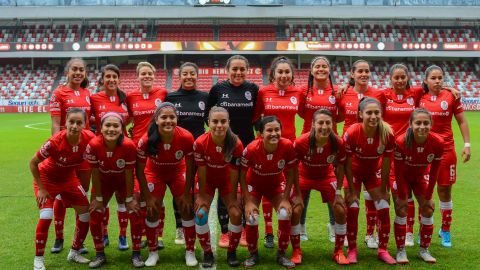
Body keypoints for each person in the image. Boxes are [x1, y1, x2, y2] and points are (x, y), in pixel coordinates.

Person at [206, 55, 259, 248]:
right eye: (234, 69)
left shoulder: (252, 89)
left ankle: (244, 228)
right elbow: (208, 116)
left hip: (247, 146)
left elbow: (257, 116)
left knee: (244, 187)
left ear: (247, 70)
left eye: (241, 69)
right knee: (226, 187)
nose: (238, 72)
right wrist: (220, 136)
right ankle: (225, 231)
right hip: (224, 147)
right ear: (227, 71)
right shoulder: (218, 89)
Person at [30, 108, 94, 270]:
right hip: (47, 179)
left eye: (79, 122)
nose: (74, 126)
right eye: (71, 122)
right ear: (65, 123)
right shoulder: (54, 142)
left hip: (69, 179)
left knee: (85, 214)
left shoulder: (89, 138)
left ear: (85, 124)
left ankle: (74, 252)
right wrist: (42, 189)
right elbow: (33, 163)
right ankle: (38, 259)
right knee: (46, 216)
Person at [136, 102, 197, 267]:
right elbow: (140, 171)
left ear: (177, 119)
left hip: (178, 172)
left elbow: (191, 167)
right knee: (153, 208)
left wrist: (186, 193)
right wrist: (147, 197)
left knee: (186, 208)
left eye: (172, 117)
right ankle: (153, 252)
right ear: (156, 120)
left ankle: (190, 251)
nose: (168, 120)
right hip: (154, 173)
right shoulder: (146, 140)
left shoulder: (186, 137)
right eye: (164, 117)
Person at [419, 65, 471, 247]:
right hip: (424, 152)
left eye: (440, 77)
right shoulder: (419, 96)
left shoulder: (451, 96)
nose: (437, 81)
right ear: (425, 80)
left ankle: (445, 230)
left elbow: (462, 121)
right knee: (424, 192)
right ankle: (424, 229)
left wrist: (467, 144)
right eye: (433, 78)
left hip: (446, 150)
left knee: (444, 190)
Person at [241, 116, 303, 268]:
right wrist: (248, 201)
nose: (274, 133)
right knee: (252, 217)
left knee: (284, 213)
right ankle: (253, 254)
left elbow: (291, 172)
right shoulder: (251, 149)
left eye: (277, 130)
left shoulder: (287, 145)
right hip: (254, 185)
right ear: (261, 133)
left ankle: (281, 254)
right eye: (269, 130)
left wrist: (285, 198)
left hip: (275, 185)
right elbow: (241, 176)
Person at [253, 56, 301, 248]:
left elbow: (306, 114)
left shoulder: (299, 91)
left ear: (292, 74)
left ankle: (286, 232)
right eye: (280, 72)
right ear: (273, 74)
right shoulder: (264, 91)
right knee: (267, 188)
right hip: (267, 147)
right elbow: (256, 116)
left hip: (289, 148)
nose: (283, 75)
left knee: (285, 190)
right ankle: (269, 232)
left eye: (287, 72)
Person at [85, 112, 144, 268]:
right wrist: (98, 199)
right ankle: (99, 254)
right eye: (108, 125)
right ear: (101, 128)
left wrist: (130, 199)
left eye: (116, 126)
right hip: (103, 182)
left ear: (122, 128)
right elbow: (95, 173)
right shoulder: (94, 144)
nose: (111, 129)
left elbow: (129, 173)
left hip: (124, 182)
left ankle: (136, 253)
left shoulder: (129, 145)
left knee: (135, 212)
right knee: (95, 213)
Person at [343, 97, 396, 264]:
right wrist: (351, 190)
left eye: (377, 113)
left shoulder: (387, 134)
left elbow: (387, 163)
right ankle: (352, 250)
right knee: (352, 207)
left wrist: (383, 188)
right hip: (354, 174)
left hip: (374, 173)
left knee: (384, 206)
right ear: (360, 114)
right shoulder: (352, 132)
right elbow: (347, 163)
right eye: (369, 113)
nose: (373, 116)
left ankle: (383, 250)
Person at [294, 109, 349, 265]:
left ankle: (338, 251)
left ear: (332, 124)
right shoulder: (300, 142)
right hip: (304, 176)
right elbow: (292, 168)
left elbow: (340, 167)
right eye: (320, 123)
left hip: (326, 176)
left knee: (340, 208)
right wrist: (296, 193)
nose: (324, 126)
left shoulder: (337, 142)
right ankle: (296, 250)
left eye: (327, 123)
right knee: (296, 209)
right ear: (313, 125)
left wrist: (338, 191)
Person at [48, 58, 91, 254]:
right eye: (74, 69)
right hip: (65, 152)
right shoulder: (58, 93)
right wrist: (58, 148)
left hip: (84, 153)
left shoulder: (87, 93)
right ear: (67, 71)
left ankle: (78, 241)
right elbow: (56, 124)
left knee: (81, 195)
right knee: (60, 194)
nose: (78, 73)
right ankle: (58, 237)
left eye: (81, 70)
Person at [338, 59, 382, 249]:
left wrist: (448, 87)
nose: (364, 74)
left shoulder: (379, 94)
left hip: (371, 151)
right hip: (348, 151)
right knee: (350, 196)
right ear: (352, 74)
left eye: (367, 71)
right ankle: (349, 234)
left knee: (372, 196)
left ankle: (370, 234)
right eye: (360, 71)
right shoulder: (342, 93)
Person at [164, 61, 209, 247]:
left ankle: (199, 224)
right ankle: (180, 227)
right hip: (178, 151)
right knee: (181, 190)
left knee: (197, 189)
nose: (189, 77)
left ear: (197, 76)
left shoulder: (205, 97)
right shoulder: (172, 97)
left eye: (192, 74)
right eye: (185, 74)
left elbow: (211, 121)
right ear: (179, 76)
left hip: (198, 151)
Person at [193, 106, 245, 267]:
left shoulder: (236, 143)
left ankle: (232, 252)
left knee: (236, 213)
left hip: (227, 181)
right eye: (215, 121)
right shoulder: (200, 142)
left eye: (223, 121)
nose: (219, 125)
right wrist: (201, 196)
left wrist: (234, 195)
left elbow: (235, 172)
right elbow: (201, 171)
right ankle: (207, 253)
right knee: (200, 214)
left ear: (229, 123)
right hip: (207, 181)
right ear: (208, 122)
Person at [126, 62, 170, 248]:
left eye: (149, 73)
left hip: (157, 150)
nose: (146, 76)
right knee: (140, 194)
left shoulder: (163, 94)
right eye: (143, 73)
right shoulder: (130, 96)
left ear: (154, 75)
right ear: (138, 76)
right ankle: (145, 234)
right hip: (137, 151)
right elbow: (125, 117)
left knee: (156, 194)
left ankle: (158, 235)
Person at [393, 108, 444, 264]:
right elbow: (399, 172)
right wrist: (402, 196)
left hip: (420, 176)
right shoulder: (400, 141)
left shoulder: (438, 142)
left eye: (426, 123)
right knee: (401, 208)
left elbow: (434, 172)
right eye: (418, 123)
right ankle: (401, 250)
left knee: (428, 208)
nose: (422, 126)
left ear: (431, 124)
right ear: (410, 124)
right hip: (401, 176)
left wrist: (428, 197)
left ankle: (424, 250)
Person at [297, 56, 339, 243]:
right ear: (311, 70)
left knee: (333, 188)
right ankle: (301, 227)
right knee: (302, 189)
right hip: (308, 144)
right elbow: (299, 112)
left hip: (331, 145)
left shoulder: (338, 92)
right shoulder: (303, 92)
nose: (321, 69)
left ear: (329, 70)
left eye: (324, 66)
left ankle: (333, 227)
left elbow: (341, 115)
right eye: (317, 66)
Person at [90, 64, 131, 250]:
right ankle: (104, 233)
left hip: (122, 148)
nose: (111, 80)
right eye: (108, 76)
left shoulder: (125, 98)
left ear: (119, 79)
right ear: (102, 80)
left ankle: (123, 236)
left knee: (123, 198)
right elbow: (87, 118)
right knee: (102, 198)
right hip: (102, 149)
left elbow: (130, 118)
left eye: (115, 76)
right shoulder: (95, 98)